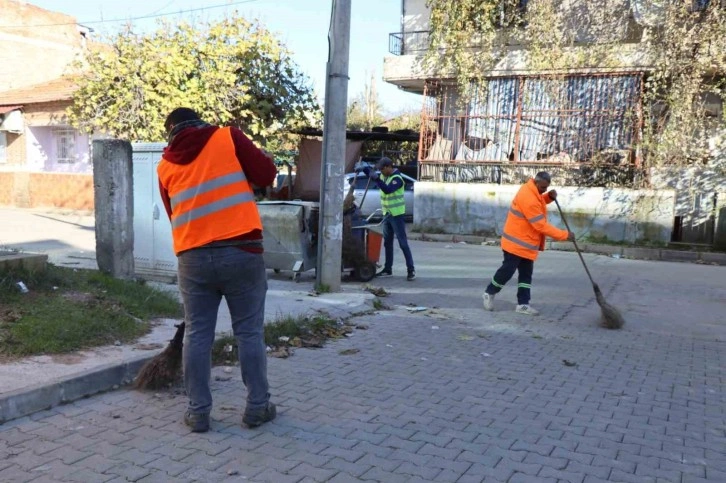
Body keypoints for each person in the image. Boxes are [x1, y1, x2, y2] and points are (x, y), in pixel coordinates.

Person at [157, 107, 277, 432]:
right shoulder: (227, 137)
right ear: (199, 121)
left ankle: (198, 413)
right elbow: (267, 174)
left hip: (193, 259)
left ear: (171, 133)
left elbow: (174, 213)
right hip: (241, 251)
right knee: (249, 332)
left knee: (197, 335)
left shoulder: (165, 166)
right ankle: (257, 407)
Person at [482, 171, 575, 315]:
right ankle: (489, 292)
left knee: (526, 275)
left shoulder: (532, 190)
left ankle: (523, 304)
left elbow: (539, 202)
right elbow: (540, 225)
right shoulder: (528, 197)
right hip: (515, 243)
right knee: (507, 271)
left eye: (546, 188)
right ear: (536, 183)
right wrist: (565, 235)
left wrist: (548, 197)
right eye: (543, 187)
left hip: (526, 244)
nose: (544, 189)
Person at [362, 158, 416, 281]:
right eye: (380, 170)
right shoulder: (384, 176)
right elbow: (372, 174)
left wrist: (375, 178)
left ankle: (411, 269)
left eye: (382, 169)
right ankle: (388, 269)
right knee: (387, 243)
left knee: (403, 243)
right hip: (387, 215)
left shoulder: (397, 179)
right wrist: (364, 168)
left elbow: (387, 189)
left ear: (388, 167)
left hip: (397, 215)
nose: (381, 171)